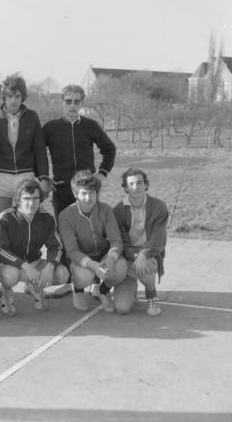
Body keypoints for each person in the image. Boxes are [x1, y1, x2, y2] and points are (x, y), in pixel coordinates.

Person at [42, 84, 116, 298]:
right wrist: (45, 177)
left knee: (93, 233)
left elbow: (109, 149)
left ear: (82, 103)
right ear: (61, 102)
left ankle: (94, 279)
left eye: (77, 101)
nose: (72, 105)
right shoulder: (51, 128)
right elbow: (36, 152)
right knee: (66, 236)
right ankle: (69, 280)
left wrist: (101, 173)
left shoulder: (90, 126)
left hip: (87, 190)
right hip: (63, 189)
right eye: (68, 101)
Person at [0, 75, 50, 300]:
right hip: (2, 177)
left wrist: (44, 177)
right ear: (3, 96)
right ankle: (2, 280)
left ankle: (31, 278)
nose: (13, 100)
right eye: (8, 95)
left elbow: (40, 149)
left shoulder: (31, 117)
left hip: (25, 176)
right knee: (3, 227)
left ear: (22, 96)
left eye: (16, 95)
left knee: (28, 226)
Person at [57, 172, 126, 313]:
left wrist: (110, 260)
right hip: (82, 258)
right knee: (84, 276)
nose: (88, 198)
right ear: (75, 193)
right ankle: (78, 289)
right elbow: (72, 251)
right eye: (84, 193)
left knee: (121, 267)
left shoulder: (106, 209)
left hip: (103, 255)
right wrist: (94, 266)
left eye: (92, 193)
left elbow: (116, 242)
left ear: (97, 194)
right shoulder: (65, 216)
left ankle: (103, 290)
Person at [0, 179, 64, 315]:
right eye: (26, 198)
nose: (31, 203)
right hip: (11, 266)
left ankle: (36, 288)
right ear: (18, 200)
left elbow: (56, 246)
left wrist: (49, 267)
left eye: (35, 198)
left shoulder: (46, 218)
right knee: (10, 276)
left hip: (35, 262)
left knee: (62, 274)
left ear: (41, 199)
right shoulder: (5, 218)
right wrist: (26, 266)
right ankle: (6, 292)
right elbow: (0, 250)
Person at [112, 168, 167, 317]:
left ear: (146, 185)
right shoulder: (117, 211)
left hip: (149, 256)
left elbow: (158, 239)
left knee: (147, 264)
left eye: (139, 183)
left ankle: (151, 296)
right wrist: (136, 256)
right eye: (131, 184)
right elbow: (120, 242)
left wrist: (143, 254)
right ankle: (132, 285)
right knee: (122, 308)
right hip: (128, 258)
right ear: (125, 188)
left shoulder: (159, 207)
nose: (135, 187)